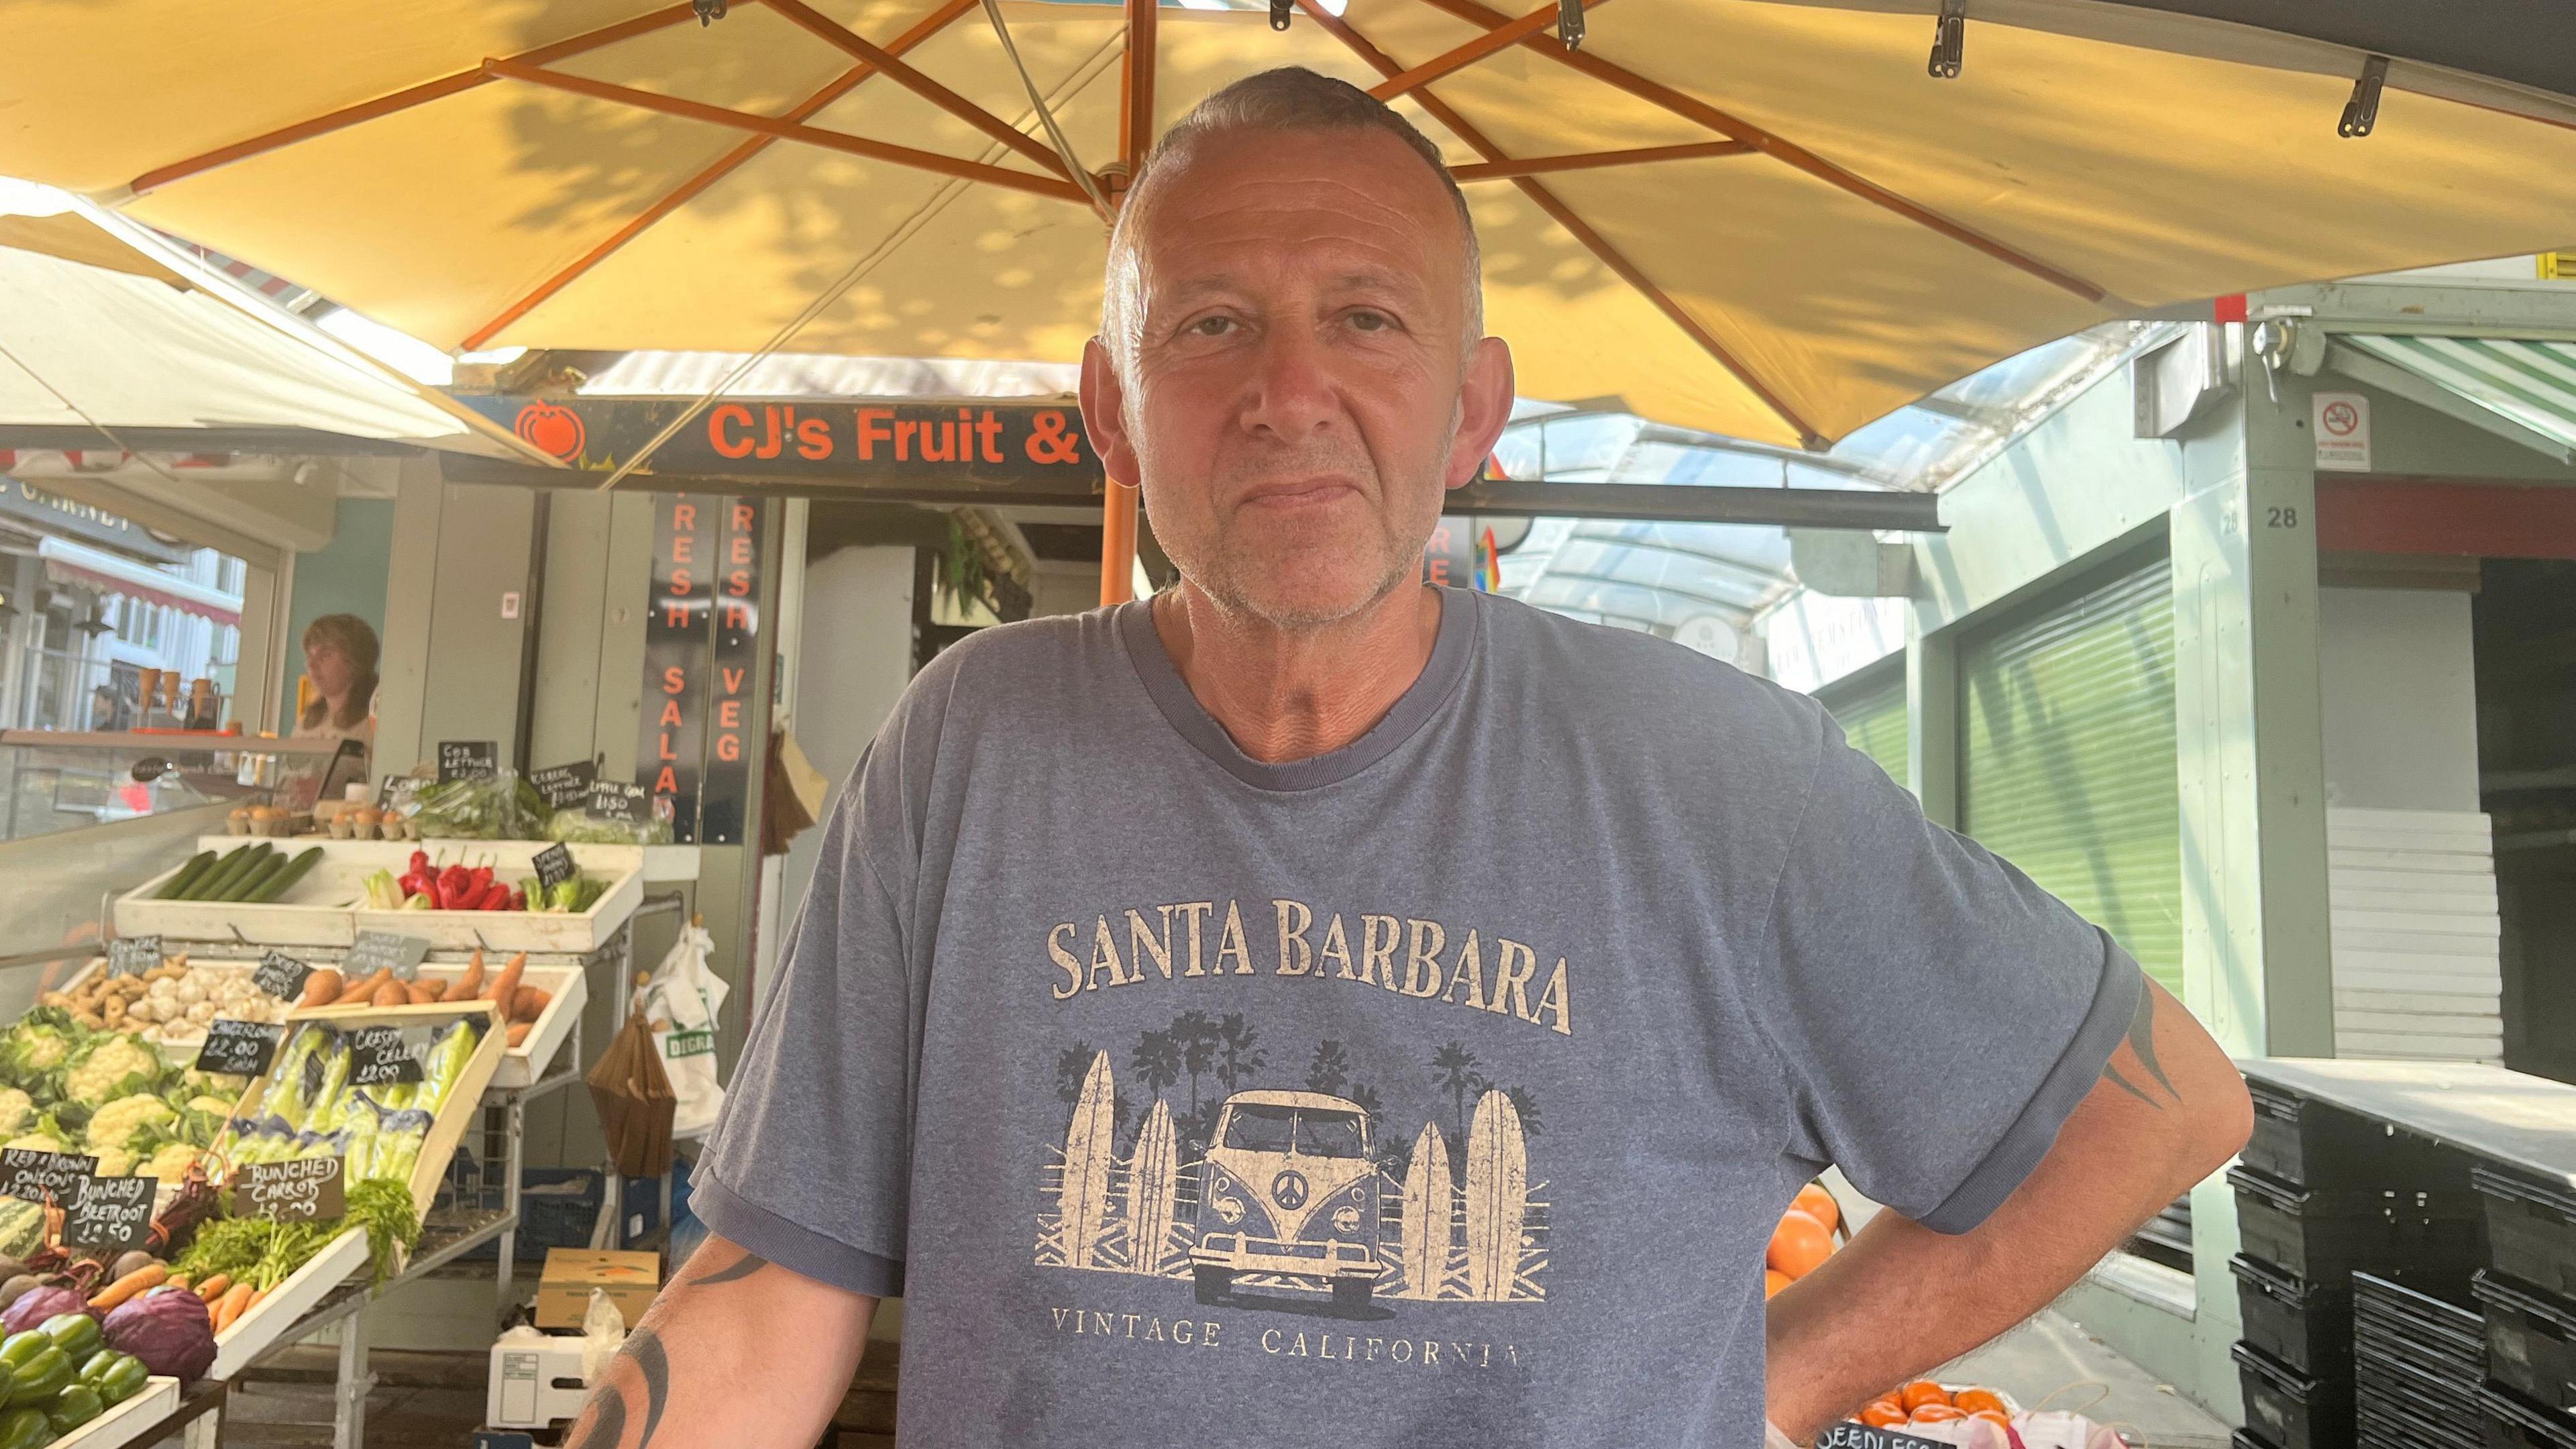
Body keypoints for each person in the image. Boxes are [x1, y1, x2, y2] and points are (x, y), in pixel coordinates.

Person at [570, 69, 2251, 1449]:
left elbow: (2155, 1100)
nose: (1289, 392)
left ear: (1470, 408)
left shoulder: (1702, 773)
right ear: (1108, 406)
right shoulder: (971, 742)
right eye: (1210, 325)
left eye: (1367, 319)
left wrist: (1775, 1375)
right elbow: (769, 1291)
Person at [284, 614, 377, 805]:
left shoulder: (374, 721)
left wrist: (331, 795)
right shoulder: (307, 721)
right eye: (309, 655)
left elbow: (384, 789)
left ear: (355, 662)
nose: (311, 664)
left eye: (324, 655)